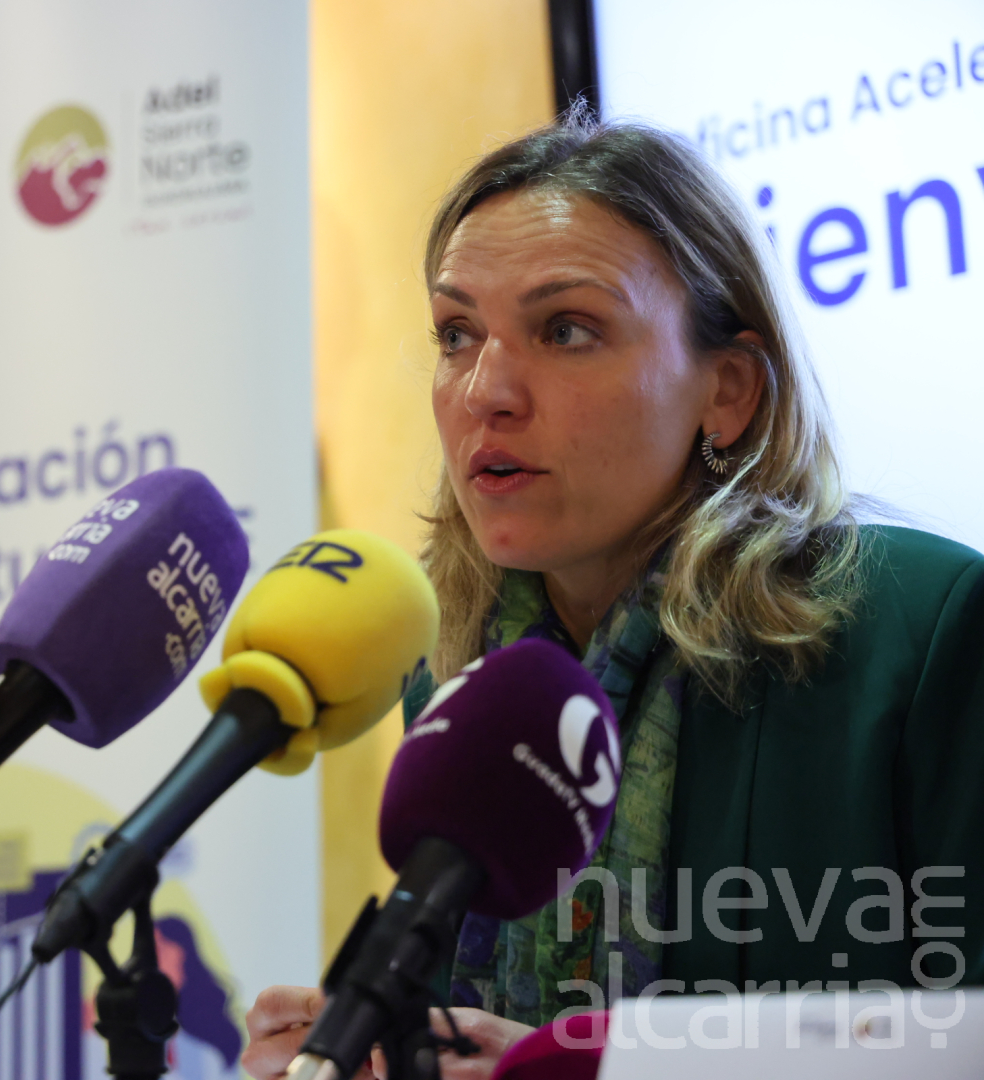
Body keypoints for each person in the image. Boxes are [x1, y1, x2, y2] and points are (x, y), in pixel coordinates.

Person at [242, 109, 984, 1079]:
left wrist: (585, 1065)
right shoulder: (453, 681)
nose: (485, 391)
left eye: (566, 329)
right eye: (457, 334)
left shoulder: (924, 632)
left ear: (728, 389)